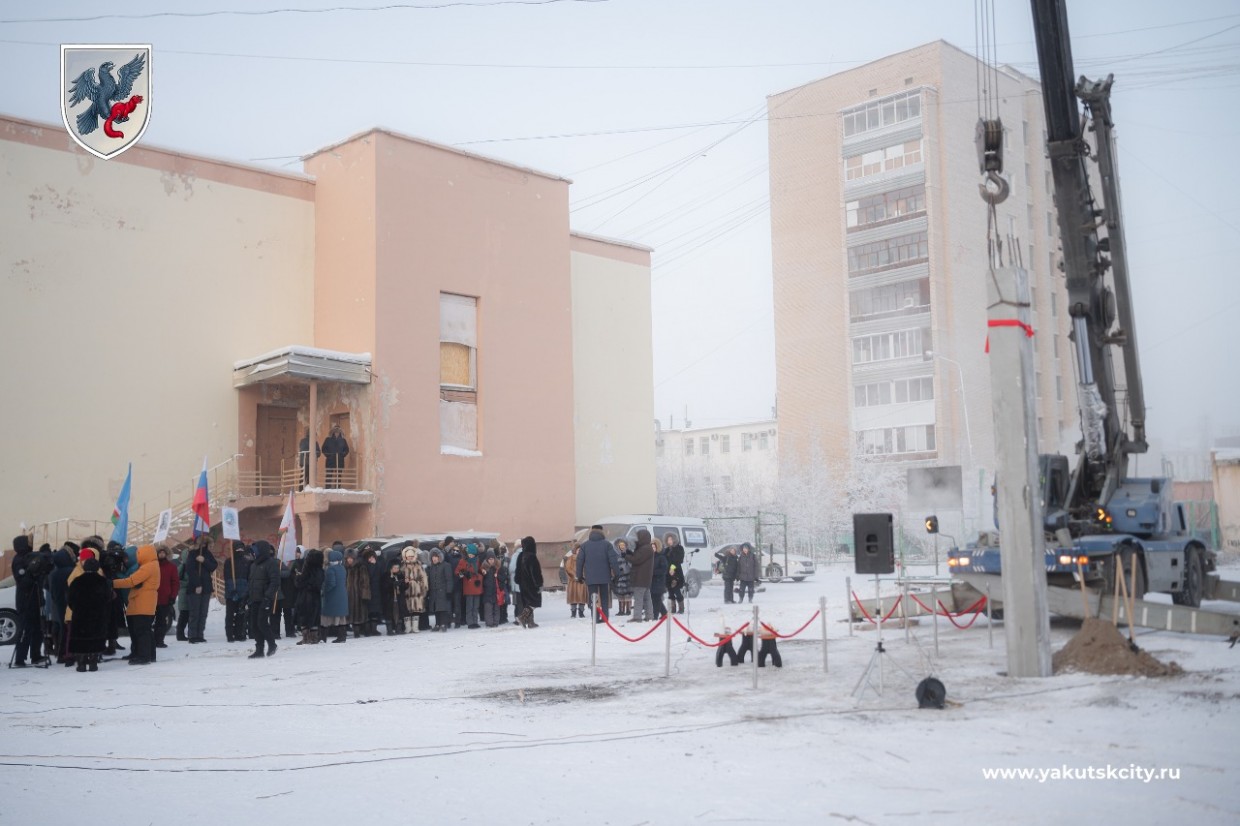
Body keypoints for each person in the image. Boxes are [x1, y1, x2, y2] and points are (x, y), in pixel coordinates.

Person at [112, 545, 160, 665]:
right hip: (140, 603)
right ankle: (144, 654)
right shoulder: (151, 565)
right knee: (143, 631)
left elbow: (131, 581)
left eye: (139, 554)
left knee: (142, 631)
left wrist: (111, 583)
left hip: (142, 604)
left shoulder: (148, 567)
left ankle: (144, 656)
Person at [66, 550, 111, 673]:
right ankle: (93, 663)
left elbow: (70, 599)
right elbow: (108, 597)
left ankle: (81, 663)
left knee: (81, 639)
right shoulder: (102, 581)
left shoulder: (76, 581)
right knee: (96, 637)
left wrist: (76, 608)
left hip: (80, 615)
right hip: (97, 615)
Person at [11, 535, 48, 667]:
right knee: (26, 628)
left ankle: (36, 655)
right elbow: (23, 582)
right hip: (25, 598)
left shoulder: (29, 556)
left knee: (38, 627)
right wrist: (31, 573)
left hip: (35, 597)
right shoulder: (19, 560)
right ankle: (20, 658)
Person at [576, 525, 619, 622]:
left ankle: (595, 617)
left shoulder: (584, 545)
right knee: (604, 598)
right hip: (605, 577)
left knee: (593, 598)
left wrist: (579, 576)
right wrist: (617, 575)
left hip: (590, 577)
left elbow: (579, 562)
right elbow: (613, 561)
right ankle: (605, 617)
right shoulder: (607, 545)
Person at [246, 540, 280, 659]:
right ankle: (259, 649)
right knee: (254, 625)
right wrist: (247, 598)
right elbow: (250, 583)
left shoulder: (270, 563)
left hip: (265, 599)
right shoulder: (254, 565)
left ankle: (272, 644)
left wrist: (268, 597)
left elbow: (275, 581)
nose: (254, 553)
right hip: (254, 599)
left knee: (262, 623)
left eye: (256, 551)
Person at [183, 539, 217, 643]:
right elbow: (190, 570)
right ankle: (192, 636)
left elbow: (213, 566)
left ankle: (200, 634)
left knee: (203, 612)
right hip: (194, 588)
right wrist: (197, 584)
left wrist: (204, 561)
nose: (203, 545)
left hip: (206, 587)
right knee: (195, 612)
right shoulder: (192, 554)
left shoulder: (208, 554)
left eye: (204, 543)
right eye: (201, 543)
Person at [222, 540, 252, 643]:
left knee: (241, 614)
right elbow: (227, 578)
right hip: (232, 593)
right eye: (237, 548)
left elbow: (248, 578)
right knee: (230, 614)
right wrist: (232, 590)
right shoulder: (229, 562)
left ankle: (239, 633)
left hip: (243, 592)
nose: (240, 550)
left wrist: (247, 592)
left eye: (241, 548)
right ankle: (230, 635)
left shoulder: (246, 562)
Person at [294, 548, 325, 644]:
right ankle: (314, 638)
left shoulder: (307, 569)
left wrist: (299, 577)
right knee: (315, 617)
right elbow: (318, 584)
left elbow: (300, 584)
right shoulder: (320, 570)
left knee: (304, 617)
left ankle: (306, 638)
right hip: (315, 597)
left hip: (305, 596)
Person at [153, 546, 180, 650]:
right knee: (150, 621)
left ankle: (159, 640)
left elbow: (175, 583)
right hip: (152, 598)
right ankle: (152, 640)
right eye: (160, 553)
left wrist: (173, 596)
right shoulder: (153, 566)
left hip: (165, 598)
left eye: (164, 553)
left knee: (162, 621)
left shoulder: (171, 567)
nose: (162, 555)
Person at [513, 536, 544, 628]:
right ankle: (524, 618)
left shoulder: (520, 555)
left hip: (522, 584)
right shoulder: (532, 557)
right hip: (531, 585)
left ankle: (530, 622)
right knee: (533, 602)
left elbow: (517, 570)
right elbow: (535, 573)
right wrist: (539, 584)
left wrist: (518, 580)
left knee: (527, 602)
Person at [321, 548, 349, 643]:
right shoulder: (343, 568)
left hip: (333, 596)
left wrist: (324, 590)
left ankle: (322, 637)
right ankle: (342, 637)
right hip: (342, 595)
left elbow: (331, 584)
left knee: (325, 617)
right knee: (341, 617)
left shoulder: (330, 570)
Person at [626, 530, 654, 624]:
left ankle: (637, 617)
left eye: (638, 537)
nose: (636, 539)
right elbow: (637, 556)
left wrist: (626, 556)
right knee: (646, 597)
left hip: (640, 577)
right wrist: (630, 553)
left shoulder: (645, 548)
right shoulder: (646, 548)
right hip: (645, 578)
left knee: (638, 597)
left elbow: (636, 559)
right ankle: (649, 615)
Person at [400, 546, 428, 633]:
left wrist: (423, 588)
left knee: (416, 609)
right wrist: (404, 582)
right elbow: (399, 577)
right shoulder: (402, 566)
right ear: (405, 556)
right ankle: (408, 627)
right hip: (406, 591)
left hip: (417, 591)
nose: (410, 558)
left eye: (412, 556)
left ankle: (415, 627)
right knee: (407, 609)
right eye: (409, 556)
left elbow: (424, 578)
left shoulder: (418, 566)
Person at [425, 549, 454, 632]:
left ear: (439, 557)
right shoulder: (430, 567)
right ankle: (437, 624)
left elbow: (449, 579)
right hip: (434, 591)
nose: (434, 559)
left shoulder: (446, 565)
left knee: (443, 609)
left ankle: (443, 624)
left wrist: (449, 591)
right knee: (436, 609)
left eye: (436, 557)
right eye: (433, 557)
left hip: (443, 591)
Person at [456, 544, 484, 629]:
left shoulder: (477, 561)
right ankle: (470, 622)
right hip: (468, 585)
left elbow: (480, 570)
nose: (470, 556)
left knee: (476, 606)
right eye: (469, 554)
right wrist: (463, 573)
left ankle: (475, 621)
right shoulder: (463, 561)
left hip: (476, 585)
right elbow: (457, 571)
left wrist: (480, 575)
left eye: (472, 555)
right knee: (469, 606)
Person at [346, 551, 372, 638]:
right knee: (352, 614)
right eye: (348, 558)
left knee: (361, 613)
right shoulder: (346, 567)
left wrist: (364, 594)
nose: (349, 560)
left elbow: (365, 582)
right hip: (350, 595)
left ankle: (365, 631)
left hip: (359, 595)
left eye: (351, 558)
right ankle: (356, 631)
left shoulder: (361, 567)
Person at [380, 559, 408, 635]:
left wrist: (405, 584)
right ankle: (390, 630)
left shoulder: (400, 575)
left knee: (399, 613)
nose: (396, 569)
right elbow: (384, 587)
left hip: (399, 598)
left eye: (397, 568)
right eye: (394, 568)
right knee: (389, 614)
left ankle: (399, 629)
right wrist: (393, 584)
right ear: (390, 568)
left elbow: (404, 588)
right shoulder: (385, 576)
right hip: (389, 599)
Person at [280, 547, 303, 638]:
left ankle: (290, 630)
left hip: (292, 590)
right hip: (282, 589)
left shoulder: (296, 563)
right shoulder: (281, 562)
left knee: (289, 612)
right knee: (284, 611)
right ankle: (287, 630)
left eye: (298, 552)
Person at [563, 543, 588, 618]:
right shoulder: (570, 558)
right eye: (578, 550)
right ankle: (573, 613)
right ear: (575, 550)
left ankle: (581, 612)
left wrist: (583, 575)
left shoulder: (585, 558)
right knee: (573, 597)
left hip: (582, 581)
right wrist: (574, 575)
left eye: (580, 550)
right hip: (573, 581)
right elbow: (568, 568)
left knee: (582, 597)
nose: (579, 551)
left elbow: (587, 568)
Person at [664, 533, 687, 615]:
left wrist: (672, 568)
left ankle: (681, 608)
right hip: (668, 574)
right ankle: (672, 608)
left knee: (677, 590)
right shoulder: (666, 550)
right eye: (668, 539)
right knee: (670, 591)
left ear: (674, 539)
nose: (669, 541)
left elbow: (679, 559)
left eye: (671, 539)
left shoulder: (679, 548)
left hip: (676, 573)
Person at [613, 539, 633, 617]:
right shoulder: (616, 555)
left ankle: (628, 610)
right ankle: (621, 610)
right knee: (620, 594)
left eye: (623, 545)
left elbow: (632, 564)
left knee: (628, 594)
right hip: (619, 577)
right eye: (620, 545)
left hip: (628, 577)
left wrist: (625, 568)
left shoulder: (629, 554)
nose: (622, 547)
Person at [650, 538, 669, 620]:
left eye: (654, 547)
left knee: (657, 599)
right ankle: (664, 613)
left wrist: (654, 572)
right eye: (651, 547)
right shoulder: (651, 557)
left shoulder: (661, 557)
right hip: (652, 582)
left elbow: (664, 569)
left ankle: (655, 615)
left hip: (659, 581)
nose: (652, 549)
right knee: (655, 599)